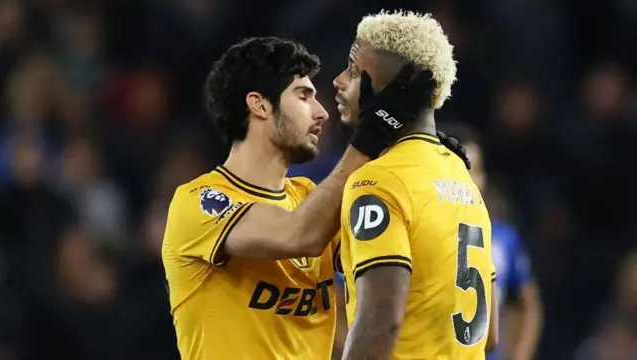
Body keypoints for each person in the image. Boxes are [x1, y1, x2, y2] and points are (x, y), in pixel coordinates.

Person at [161, 37, 437, 360]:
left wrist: (420, 150)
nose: (322, 113)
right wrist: (372, 135)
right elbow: (299, 235)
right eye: (304, 95)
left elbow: (391, 257)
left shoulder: (306, 195)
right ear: (259, 104)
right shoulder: (199, 202)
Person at [334, 11, 499, 359]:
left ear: (384, 85)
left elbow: (381, 323)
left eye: (352, 70)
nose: (338, 81)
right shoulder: (464, 178)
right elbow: (490, 334)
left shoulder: (378, 181)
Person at [445, 123, 544, 360]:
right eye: (461, 171)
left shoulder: (502, 238)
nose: (470, 181)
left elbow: (527, 305)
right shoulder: (415, 231)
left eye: (476, 171)